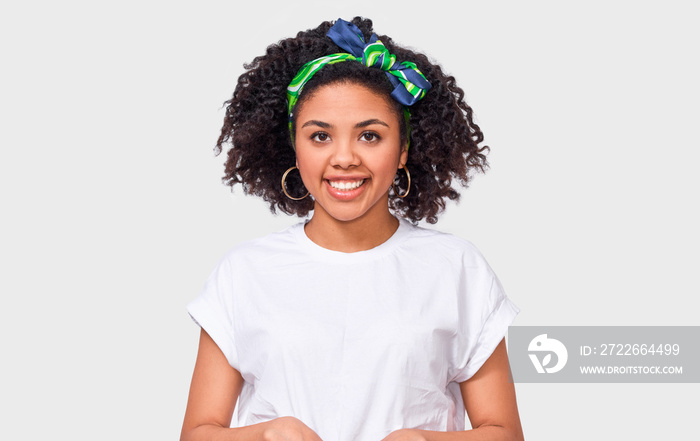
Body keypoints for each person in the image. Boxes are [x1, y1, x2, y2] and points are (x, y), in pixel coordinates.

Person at [181, 17, 524, 441]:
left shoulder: (457, 268)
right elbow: (198, 432)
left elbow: (504, 431)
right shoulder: (243, 272)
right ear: (294, 147)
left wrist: (423, 440)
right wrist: (267, 435)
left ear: (402, 150)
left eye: (370, 136)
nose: (344, 158)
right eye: (320, 136)